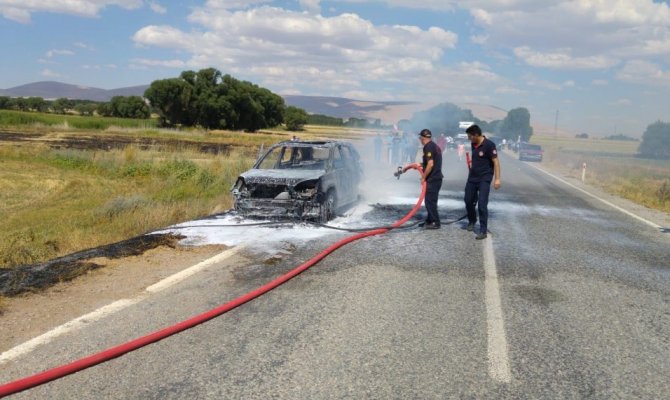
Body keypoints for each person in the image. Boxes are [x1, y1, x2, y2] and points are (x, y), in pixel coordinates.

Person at [463, 124, 501, 240]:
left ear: (475, 135)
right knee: (468, 200)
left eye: (470, 136)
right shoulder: (473, 144)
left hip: (484, 178)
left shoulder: (489, 145)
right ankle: (472, 220)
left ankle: (483, 230)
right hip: (472, 177)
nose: (468, 139)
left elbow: (496, 162)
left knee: (482, 204)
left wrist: (497, 179)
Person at [403, 129, 443, 229]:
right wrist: (419, 164)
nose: (419, 139)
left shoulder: (427, 147)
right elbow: (430, 162)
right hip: (436, 178)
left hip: (433, 178)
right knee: (431, 200)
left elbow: (430, 164)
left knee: (430, 202)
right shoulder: (434, 145)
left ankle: (435, 222)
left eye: (420, 137)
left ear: (422, 138)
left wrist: (423, 177)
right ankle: (429, 220)